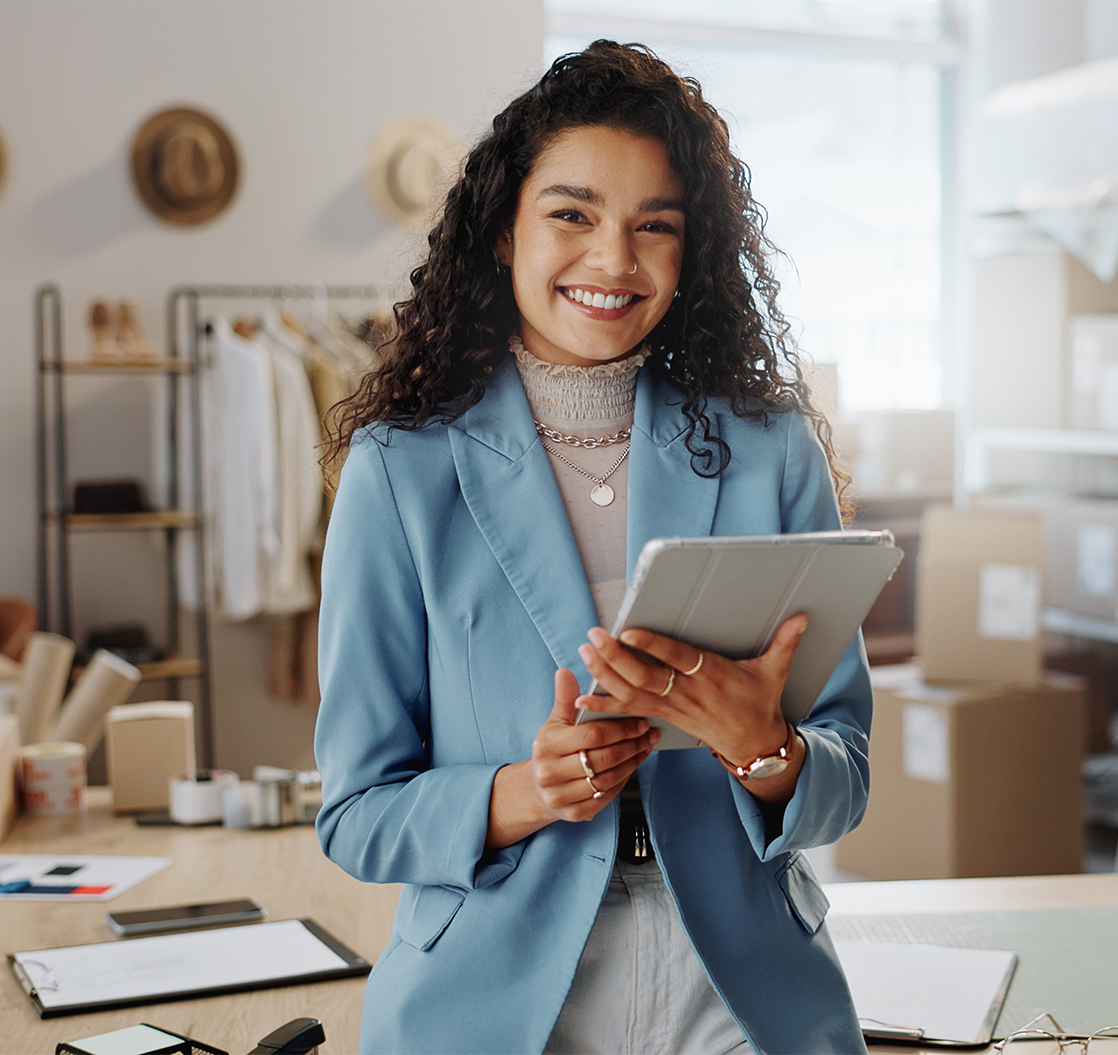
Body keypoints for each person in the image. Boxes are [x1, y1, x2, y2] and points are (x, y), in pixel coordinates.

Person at [313, 39, 872, 1055]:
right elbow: (354, 811)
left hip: (739, 986)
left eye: (652, 227)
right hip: (493, 990)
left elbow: (848, 771)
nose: (613, 261)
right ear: (500, 229)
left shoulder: (768, 446)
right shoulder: (400, 470)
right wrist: (523, 791)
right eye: (571, 214)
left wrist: (768, 750)